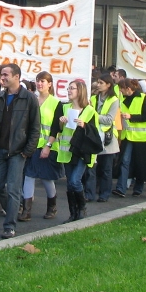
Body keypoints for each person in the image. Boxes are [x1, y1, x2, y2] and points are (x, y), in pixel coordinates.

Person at [0, 64, 41, 239]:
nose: (3, 77)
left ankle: (9, 225)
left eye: (6, 74)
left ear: (17, 77)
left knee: (14, 189)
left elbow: (34, 128)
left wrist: (27, 151)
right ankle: (13, 210)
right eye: (1, 74)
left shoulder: (29, 99)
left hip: (17, 152)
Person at [49, 78, 98, 223]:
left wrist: (85, 125)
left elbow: (95, 133)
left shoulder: (89, 111)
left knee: (75, 180)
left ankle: (82, 208)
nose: (69, 91)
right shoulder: (65, 108)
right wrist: (60, 122)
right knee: (70, 182)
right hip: (67, 151)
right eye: (68, 88)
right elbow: (57, 128)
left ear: (80, 91)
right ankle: (73, 213)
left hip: (82, 152)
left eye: (72, 88)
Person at [20, 71, 61, 221]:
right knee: (29, 176)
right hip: (32, 145)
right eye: (38, 81)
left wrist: (48, 145)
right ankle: (26, 210)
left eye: (43, 81)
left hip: (46, 146)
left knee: (46, 178)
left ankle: (52, 206)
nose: (40, 83)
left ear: (50, 84)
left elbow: (56, 128)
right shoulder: (33, 100)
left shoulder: (56, 103)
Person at [113, 80, 146, 197]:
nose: (120, 91)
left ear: (128, 88)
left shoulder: (142, 98)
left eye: (121, 88)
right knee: (124, 161)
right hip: (127, 136)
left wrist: (131, 116)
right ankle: (121, 188)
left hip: (141, 138)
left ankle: (138, 188)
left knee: (140, 163)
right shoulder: (122, 99)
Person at [88, 72, 120, 204]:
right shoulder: (94, 98)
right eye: (98, 82)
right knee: (92, 168)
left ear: (108, 85)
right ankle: (90, 193)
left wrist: (94, 115)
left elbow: (109, 119)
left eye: (101, 83)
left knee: (106, 169)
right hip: (94, 137)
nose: (98, 85)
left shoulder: (114, 100)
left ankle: (104, 194)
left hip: (107, 139)